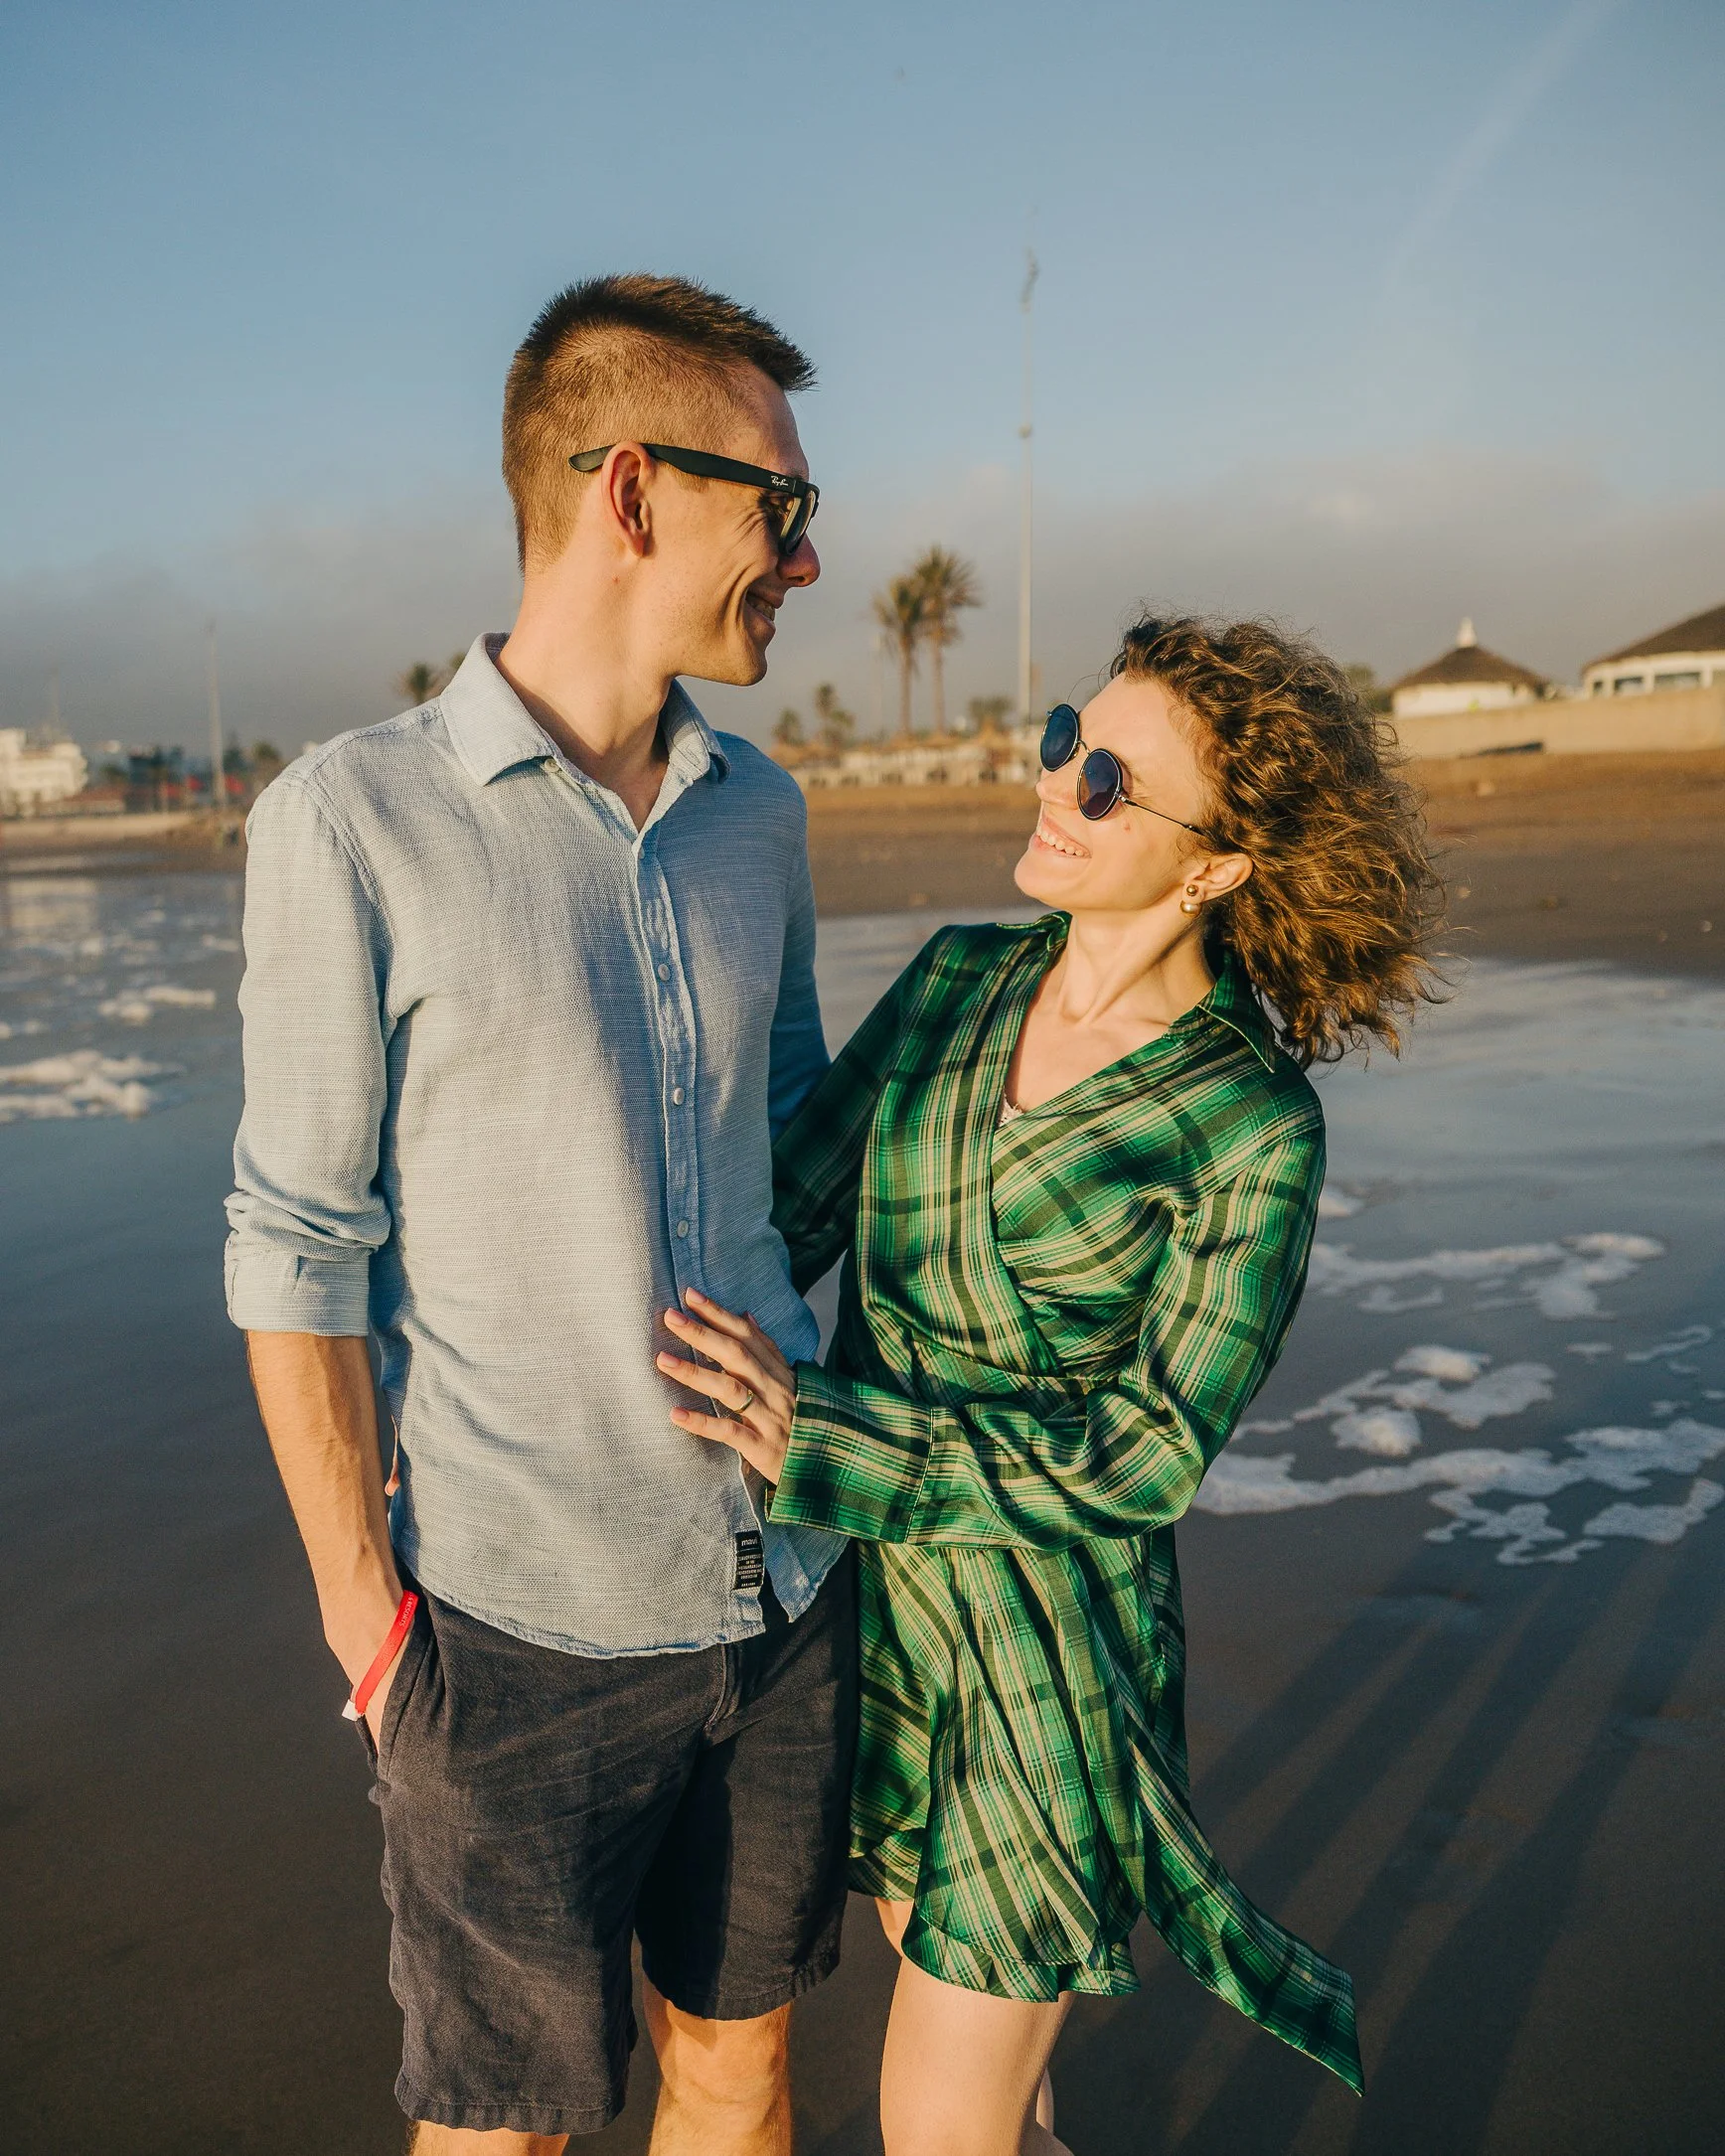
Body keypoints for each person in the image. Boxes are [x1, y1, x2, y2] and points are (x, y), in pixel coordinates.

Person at [656, 614, 1444, 2153]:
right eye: (1068, 738)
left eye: (1108, 785)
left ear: (1215, 864)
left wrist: (831, 1430)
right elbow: (783, 1213)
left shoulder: (1250, 1125)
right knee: (998, 2111)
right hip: (872, 1622)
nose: (1056, 783)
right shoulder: (957, 982)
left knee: (938, 2128)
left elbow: (1144, 1453)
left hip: (1049, 1663)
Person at [227, 274, 855, 2154]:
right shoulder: (351, 821)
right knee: (507, 2128)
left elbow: (812, 1157)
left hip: (788, 1587)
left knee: (738, 2074)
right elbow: (297, 1246)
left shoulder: (765, 818)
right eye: (786, 507)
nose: (806, 562)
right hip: (511, 1642)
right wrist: (368, 1625)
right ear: (636, 489)